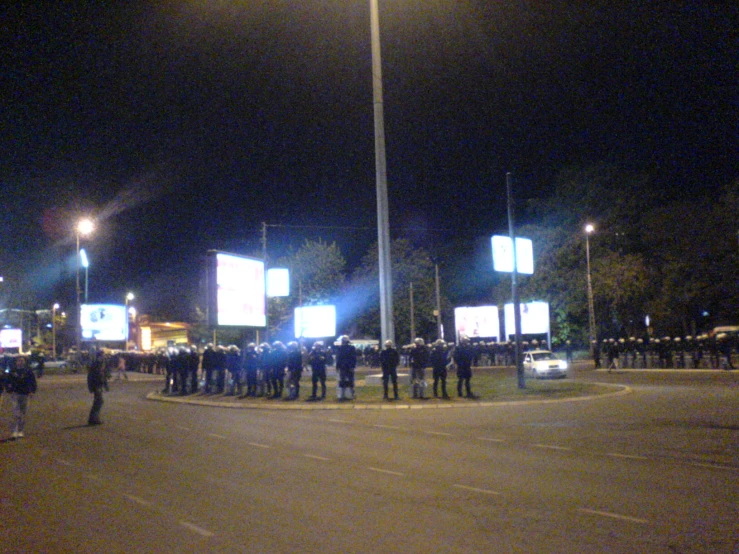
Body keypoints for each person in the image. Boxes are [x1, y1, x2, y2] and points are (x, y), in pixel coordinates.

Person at [3, 355, 37, 439]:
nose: (20, 362)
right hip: (15, 394)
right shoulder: (12, 371)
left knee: (23, 413)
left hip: (25, 394)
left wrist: (32, 391)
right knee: (16, 413)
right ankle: (14, 431)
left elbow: (33, 382)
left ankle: (21, 430)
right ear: (16, 362)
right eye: (19, 360)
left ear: (24, 362)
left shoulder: (28, 371)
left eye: (22, 360)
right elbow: (7, 381)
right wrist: (9, 389)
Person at [87, 351, 109, 425]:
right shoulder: (96, 364)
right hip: (97, 385)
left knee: (98, 401)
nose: (104, 357)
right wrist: (92, 387)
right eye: (103, 355)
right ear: (100, 356)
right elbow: (92, 376)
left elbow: (103, 375)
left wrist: (105, 384)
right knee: (99, 401)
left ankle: (94, 418)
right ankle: (93, 419)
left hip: (98, 385)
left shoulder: (100, 364)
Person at [335, 335, 357, 401]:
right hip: (345, 366)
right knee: (345, 381)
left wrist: (352, 366)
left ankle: (348, 394)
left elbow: (353, 358)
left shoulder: (349, 348)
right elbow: (338, 358)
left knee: (348, 380)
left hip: (346, 366)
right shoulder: (342, 348)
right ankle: (346, 395)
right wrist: (337, 366)